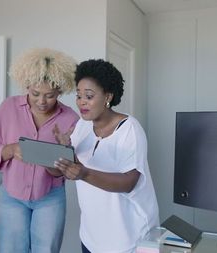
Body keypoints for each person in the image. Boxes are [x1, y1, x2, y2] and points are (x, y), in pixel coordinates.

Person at [54, 59, 159, 253]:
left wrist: (84, 173)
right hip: (92, 236)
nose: (81, 101)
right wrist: (60, 150)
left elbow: (129, 182)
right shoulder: (82, 126)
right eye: (78, 95)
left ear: (108, 97)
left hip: (127, 239)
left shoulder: (129, 129)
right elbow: (70, 167)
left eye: (89, 95)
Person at [0, 48, 79, 253]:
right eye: (35, 93)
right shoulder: (8, 108)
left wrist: (59, 159)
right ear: (27, 85)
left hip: (50, 197)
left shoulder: (70, 118)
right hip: (12, 196)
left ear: (60, 91)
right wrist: (10, 149)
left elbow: (70, 169)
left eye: (50, 96)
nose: (42, 101)